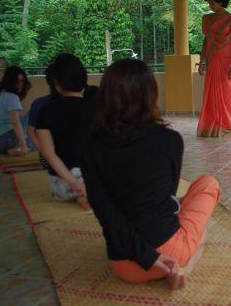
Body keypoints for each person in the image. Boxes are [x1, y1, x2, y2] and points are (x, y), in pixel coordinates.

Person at [82, 59, 220, 289]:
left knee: (127, 207)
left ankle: (169, 265)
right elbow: (168, 193)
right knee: (207, 189)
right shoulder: (169, 141)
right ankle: (182, 270)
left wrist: (147, 257)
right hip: (168, 257)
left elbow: (106, 214)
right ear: (150, 96)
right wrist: (154, 258)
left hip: (124, 266)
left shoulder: (91, 147)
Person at [35, 54, 96, 209]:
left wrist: (75, 183)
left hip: (61, 188)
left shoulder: (45, 111)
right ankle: (87, 195)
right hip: (92, 181)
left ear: (56, 83)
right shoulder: (96, 110)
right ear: (84, 80)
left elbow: (48, 154)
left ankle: (80, 195)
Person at [196, 0, 231, 137]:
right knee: (210, 95)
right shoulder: (207, 18)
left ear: (221, 2)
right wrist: (201, 62)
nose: (210, 6)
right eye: (209, 3)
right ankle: (210, 126)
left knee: (227, 95)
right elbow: (206, 41)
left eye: (212, 3)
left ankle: (225, 125)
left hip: (226, 61)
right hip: (211, 59)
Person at [0, 66, 31, 156]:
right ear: (10, 82)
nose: (20, 85)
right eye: (17, 82)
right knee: (34, 111)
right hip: (7, 139)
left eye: (22, 81)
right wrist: (23, 146)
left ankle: (10, 149)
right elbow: (15, 123)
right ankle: (20, 147)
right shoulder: (12, 97)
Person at [27, 64, 59, 154]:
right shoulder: (75, 104)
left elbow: (30, 132)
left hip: (48, 156)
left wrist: (45, 152)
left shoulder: (39, 103)